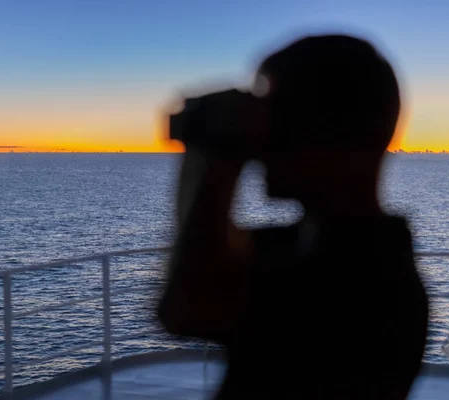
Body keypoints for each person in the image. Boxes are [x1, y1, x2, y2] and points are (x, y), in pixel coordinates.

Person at [157, 34, 429, 399]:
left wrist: (215, 155)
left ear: (335, 128)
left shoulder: (370, 283)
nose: (261, 139)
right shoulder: (300, 241)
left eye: (278, 116)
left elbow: (188, 307)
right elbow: (209, 269)